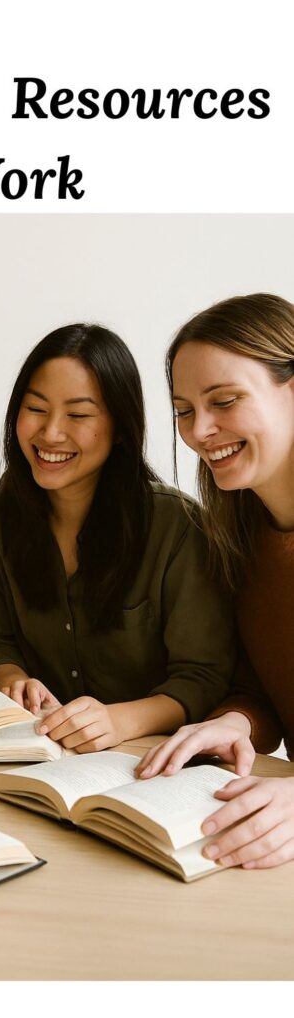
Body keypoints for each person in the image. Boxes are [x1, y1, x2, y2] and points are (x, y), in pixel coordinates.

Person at [0, 323, 235, 751]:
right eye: (36, 408)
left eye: (78, 414)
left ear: (121, 427)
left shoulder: (178, 527)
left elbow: (202, 676)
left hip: (149, 761)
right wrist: (11, 679)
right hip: (37, 755)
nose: (51, 433)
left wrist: (119, 720)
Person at [135, 292, 294, 870]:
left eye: (224, 401)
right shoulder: (239, 535)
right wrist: (234, 722)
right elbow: (264, 687)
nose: (200, 431)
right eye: (183, 409)